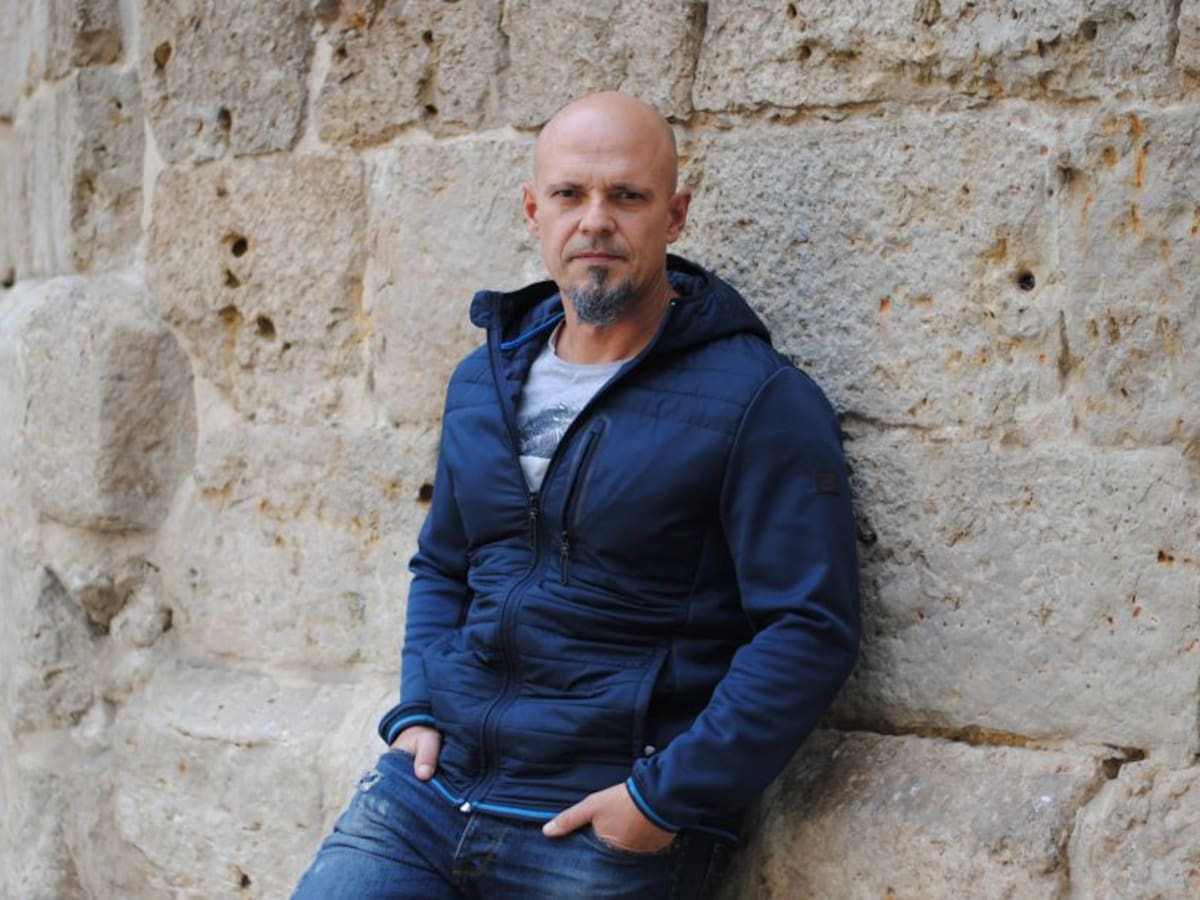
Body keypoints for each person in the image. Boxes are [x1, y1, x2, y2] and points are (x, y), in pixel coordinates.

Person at [294, 91, 860, 899]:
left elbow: (809, 626)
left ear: (675, 215)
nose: (596, 220)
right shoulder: (481, 383)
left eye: (627, 195)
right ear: (535, 211)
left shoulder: (759, 400)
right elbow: (444, 566)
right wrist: (417, 708)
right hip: (430, 795)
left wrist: (662, 799)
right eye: (570, 194)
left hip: (602, 821)